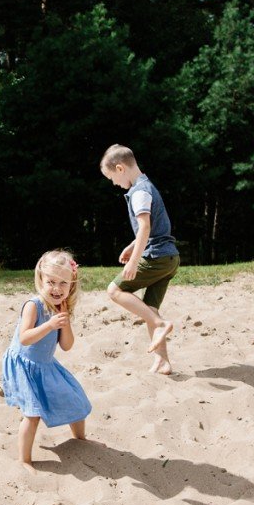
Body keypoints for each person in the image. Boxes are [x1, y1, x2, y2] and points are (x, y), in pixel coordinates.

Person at [1, 249, 92, 471]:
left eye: (63, 283)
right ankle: (24, 460)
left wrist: (65, 322)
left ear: (72, 284)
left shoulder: (62, 307)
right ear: (40, 279)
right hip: (24, 364)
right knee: (32, 415)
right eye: (51, 282)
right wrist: (50, 324)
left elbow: (67, 345)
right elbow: (24, 338)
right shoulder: (34, 305)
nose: (57, 289)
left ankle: (80, 439)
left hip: (46, 365)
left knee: (75, 398)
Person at [99, 144, 180, 375]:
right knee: (149, 309)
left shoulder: (139, 192)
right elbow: (152, 227)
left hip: (155, 257)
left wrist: (135, 261)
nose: (113, 183)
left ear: (120, 168)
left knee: (114, 290)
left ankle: (162, 324)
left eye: (111, 177)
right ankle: (163, 361)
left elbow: (144, 226)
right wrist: (132, 245)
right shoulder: (147, 186)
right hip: (170, 258)